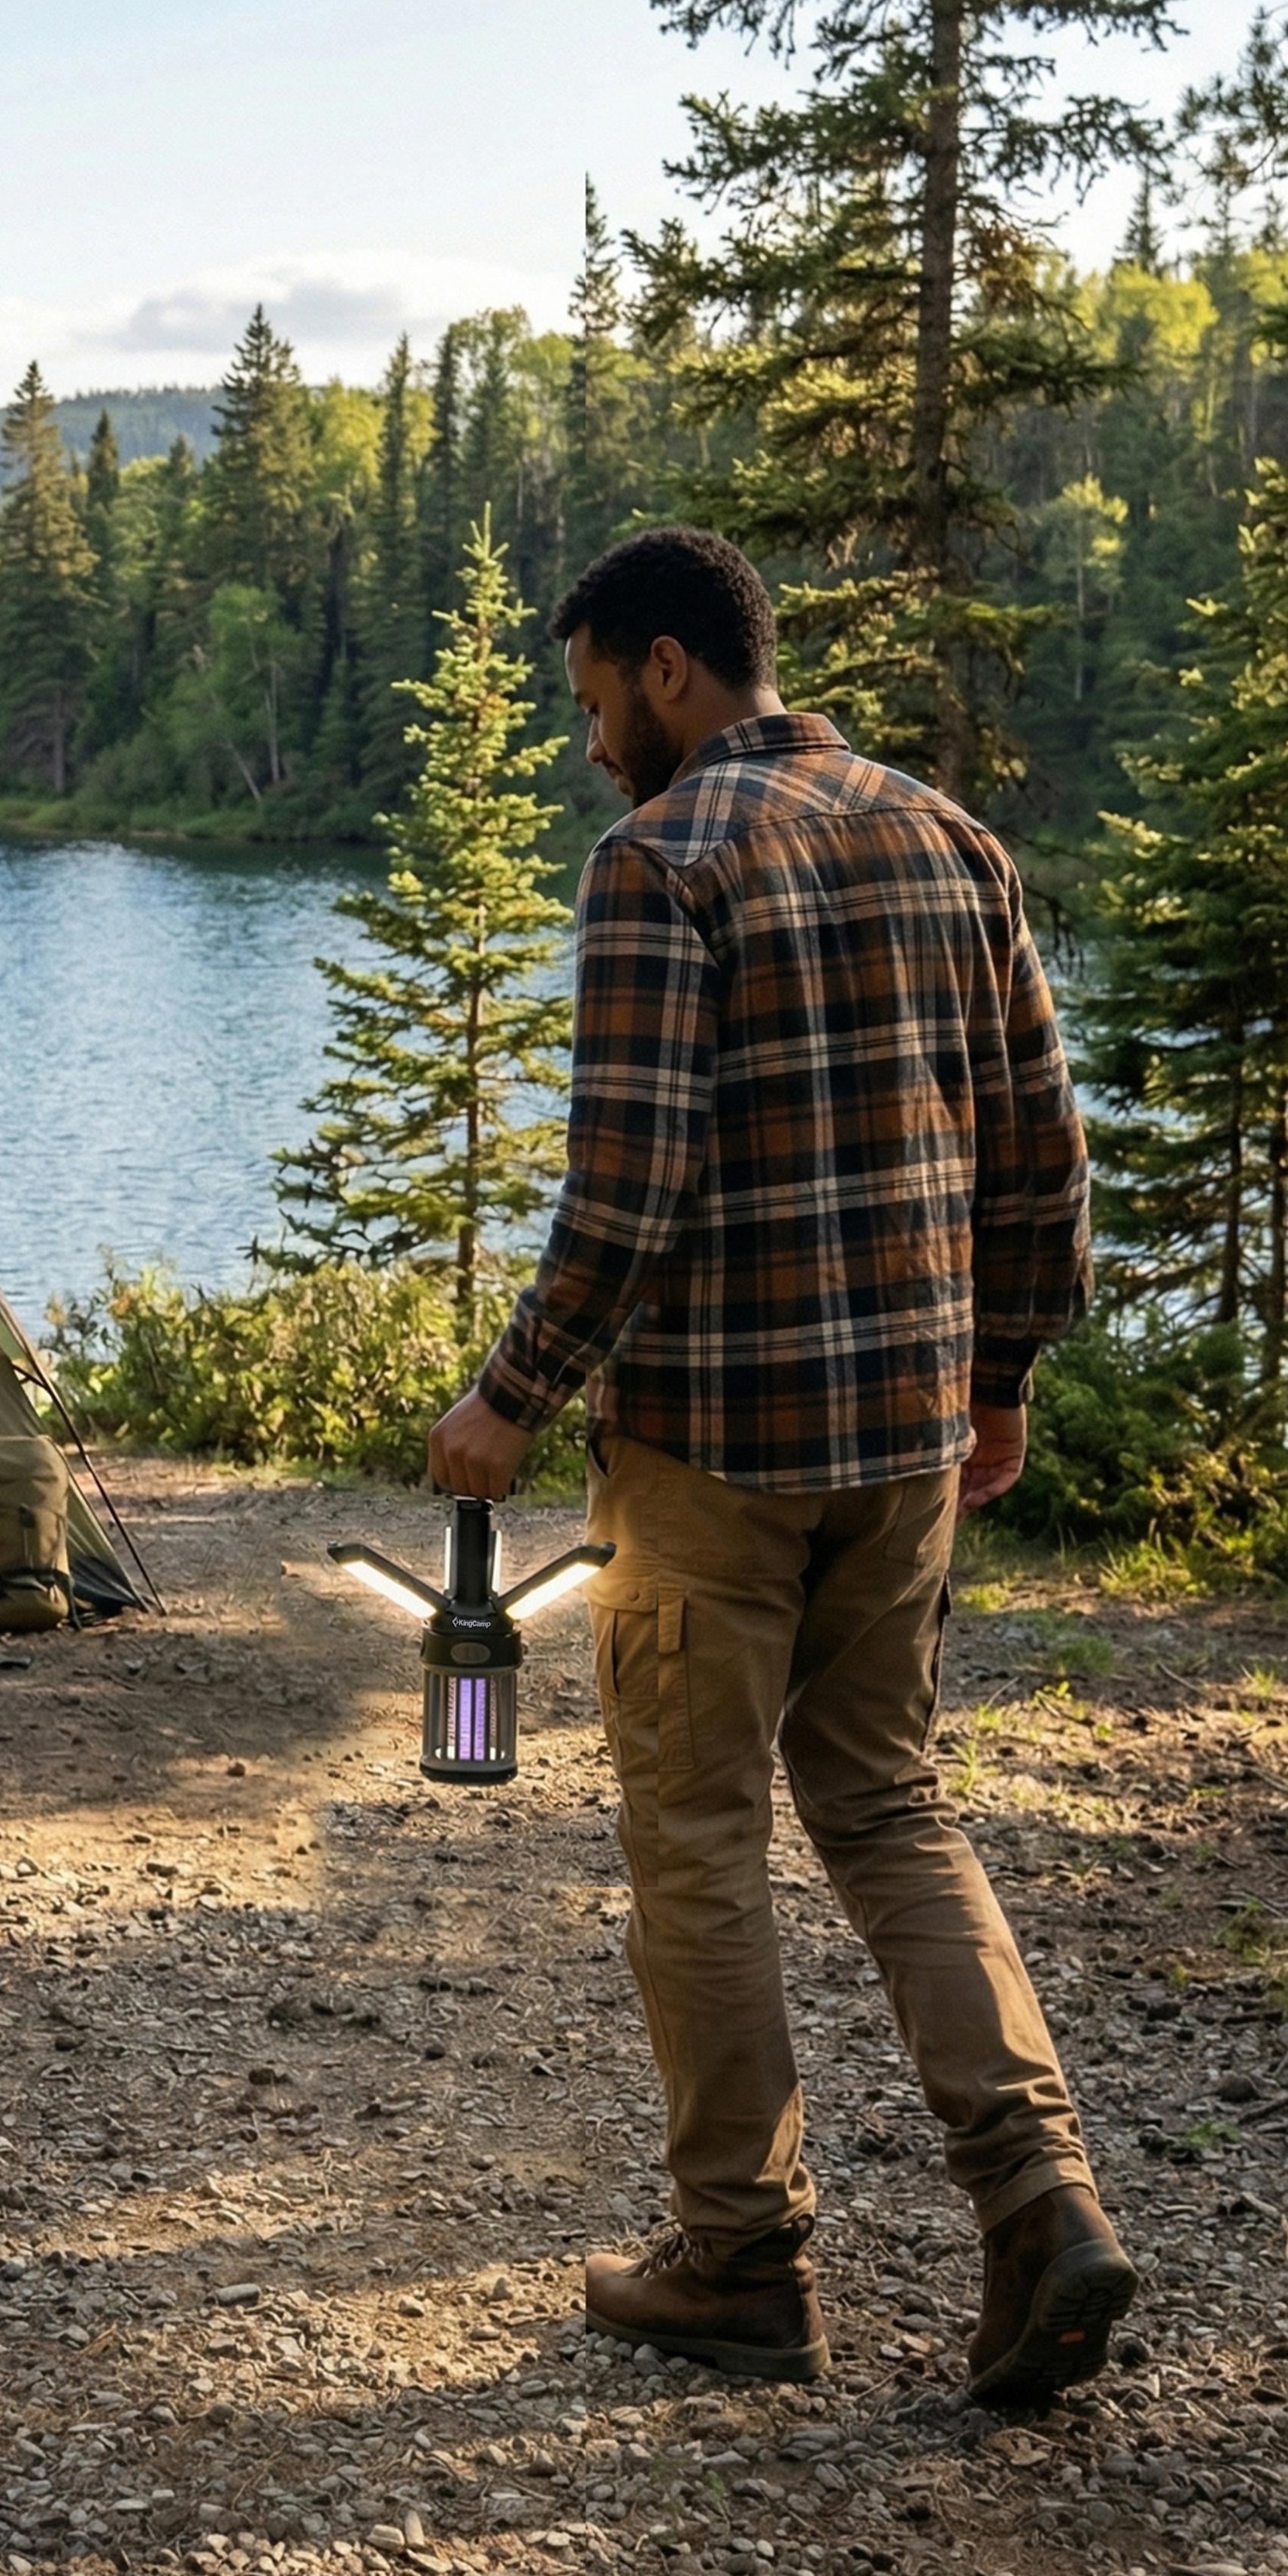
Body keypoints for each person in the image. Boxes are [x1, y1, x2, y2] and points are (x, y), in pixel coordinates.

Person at [428, 526, 1131, 2400]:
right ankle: (1040, 2199)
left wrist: (508, 1395)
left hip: (709, 1456)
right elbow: (1041, 1149)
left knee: (697, 1841)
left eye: (598, 702)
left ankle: (740, 2257)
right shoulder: (947, 839)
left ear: (668, 668)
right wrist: (1000, 1375)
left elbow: (627, 1184)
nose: (593, 744)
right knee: (888, 1807)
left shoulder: (659, 861)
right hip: (900, 1442)